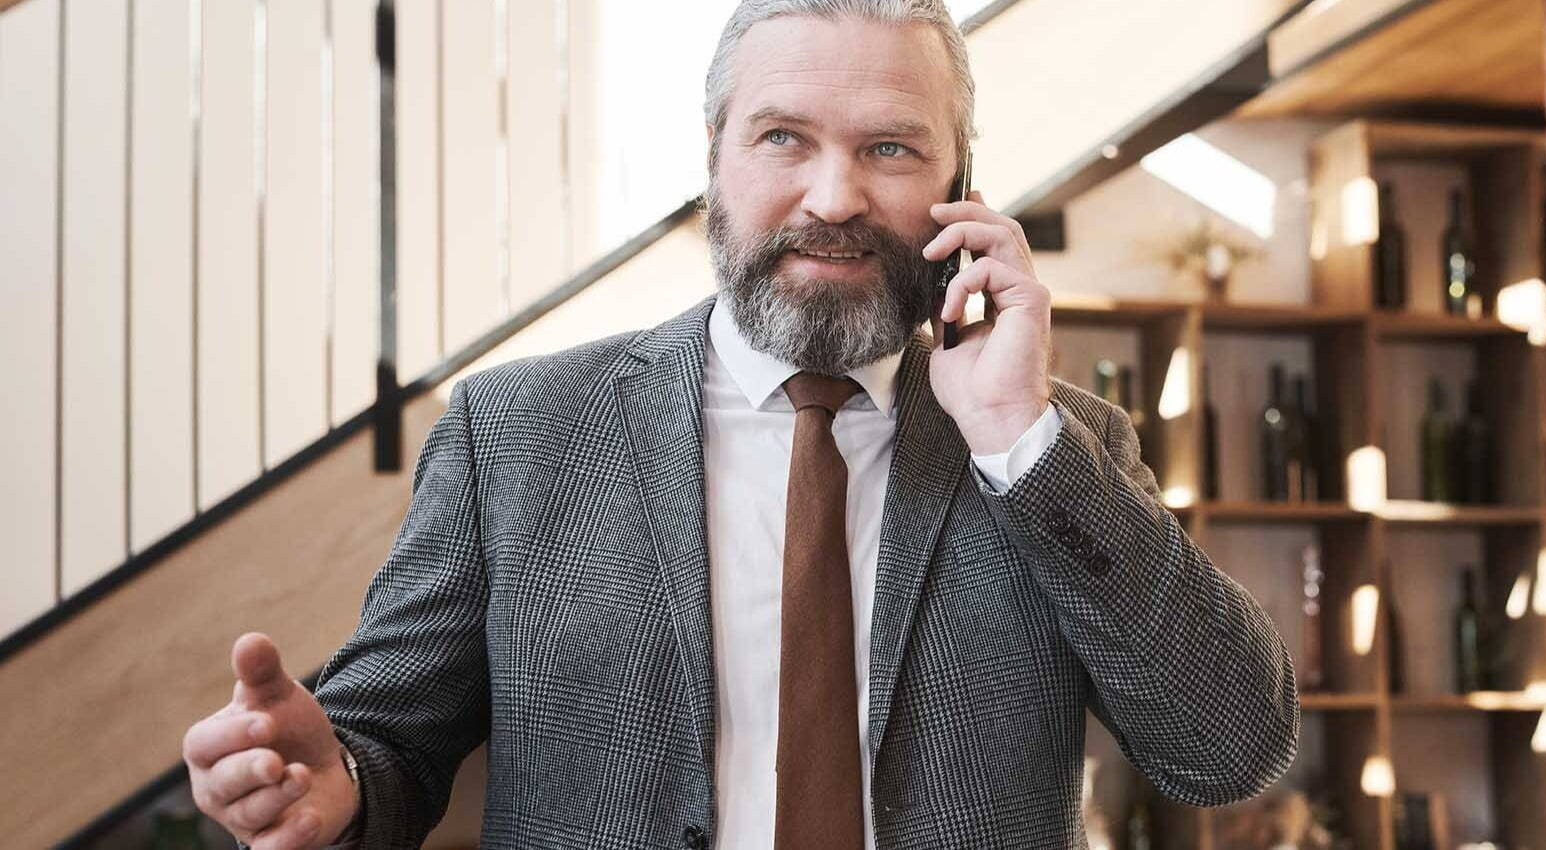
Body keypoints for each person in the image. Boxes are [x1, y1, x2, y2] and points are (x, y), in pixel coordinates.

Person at [179, 1, 1298, 847]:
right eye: (781, 139)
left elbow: (1227, 747)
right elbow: (386, 745)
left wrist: (1014, 433)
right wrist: (336, 790)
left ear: (963, 182)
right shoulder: (513, 433)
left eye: (890, 148)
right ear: (712, 154)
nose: (832, 197)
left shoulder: (1057, 450)